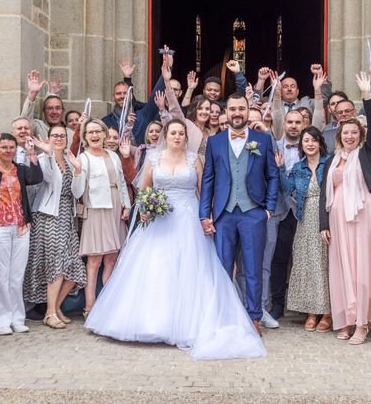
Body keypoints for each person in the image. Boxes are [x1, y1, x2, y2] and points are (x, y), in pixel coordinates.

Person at [85, 119, 266, 360]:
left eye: (181, 133)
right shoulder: (153, 160)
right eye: (173, 133)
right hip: (160, 221)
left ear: (185, 137)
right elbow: (144, 190)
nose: (177, 137)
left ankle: (188, 323)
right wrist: (147, 208)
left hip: (188, 219)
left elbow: (204, 192)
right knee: (157, 269)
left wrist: (207, 217)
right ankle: (153, 323)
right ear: (165, 136)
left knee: (190, 268)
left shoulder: (195, 160)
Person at [200, 93, 280, 336]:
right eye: (232, 109)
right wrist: (205, 214)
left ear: (247, 111)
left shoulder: (262, 140)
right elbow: (208, 180)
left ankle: (254, 317)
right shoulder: (215, 142)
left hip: (253, 212)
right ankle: (223, 316)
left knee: (253, 268)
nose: (236, 113)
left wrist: (268, 208)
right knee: (223, 268)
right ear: (226, 112)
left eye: (241, 109)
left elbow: (273, 175)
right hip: (224, 214)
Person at [319, 72, 371, 345]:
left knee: (362, 267)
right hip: (337, 220)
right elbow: (326, 193)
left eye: (353, 132)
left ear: (360, 135)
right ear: (339, 135)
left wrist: (367, 94)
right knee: (342, 268)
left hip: (363, 216)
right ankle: (346, 318)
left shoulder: (368, 153)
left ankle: (363, 323)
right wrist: (323, 224)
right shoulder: (332, 161)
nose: (349, 136)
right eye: (345, 132)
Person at [0, 128, 43, 335]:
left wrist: (32, 154)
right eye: (3, 147)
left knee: (16, 275)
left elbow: (36, 177)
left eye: (11, 147)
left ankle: (16, 317)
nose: (7, 151)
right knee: (0, 275)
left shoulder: (20, 170)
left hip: (21, 227)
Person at [23, 126, 86, 329]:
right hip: (49, 216)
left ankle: (56, 307)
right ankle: (50, 313)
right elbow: (48, 178)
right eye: (54, 136)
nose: (59, 138)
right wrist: (49, 154)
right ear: (48, 138)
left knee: (76, 265)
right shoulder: (42, 159)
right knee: (56, 265)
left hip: (67, 216)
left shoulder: (70, 160)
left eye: (62, 136)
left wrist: (78, 171)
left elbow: (77, 192)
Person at [68, 118, 131, 318]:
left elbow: (121, 181)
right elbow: (77, 192)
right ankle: (90, 308)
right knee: (94, 262)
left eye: (98, 131)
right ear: (85, 137)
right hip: (96, 211)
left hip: (115, 210)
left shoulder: (113, 155)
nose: (94, 135)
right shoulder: (83, 159)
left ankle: (107, 305)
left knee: (112, 259)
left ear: (104, 134)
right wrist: (77, 171)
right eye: (90, 132)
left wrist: (126, 204)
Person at [276, 126, 331, 333]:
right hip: (305, 218)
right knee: (307, 264)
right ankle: (311, 312)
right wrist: (281, 168)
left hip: (326, 217)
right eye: (306, 140)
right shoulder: (299, 167)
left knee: (326, 265)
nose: (310, 144)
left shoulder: (330, 163)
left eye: (313, 140)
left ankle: (327, 313)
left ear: (320, 143)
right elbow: (287, 189)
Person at [268, 110, 304, 323]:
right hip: (281, 211)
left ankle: (304, 305)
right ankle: (278, 304)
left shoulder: (311, 144)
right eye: (289, 122)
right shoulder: (274, 146)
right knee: (278, 259)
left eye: (297, 122)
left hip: (304, 211)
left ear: (303, 123)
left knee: (303, 259)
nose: (293, 126)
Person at [101, 57, 165, 145]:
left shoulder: (143, 115)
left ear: (131, 96)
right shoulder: (106, 121)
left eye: (125, 93)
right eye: (118, 93)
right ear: (113, 97)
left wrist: (165, 75)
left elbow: (156, 94)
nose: (122, 96)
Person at [22, 71, 75, 143]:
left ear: (63, 111)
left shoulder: (71, 134)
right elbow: (24, 121)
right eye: (50, 108)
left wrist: (53, 94)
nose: (54, 112)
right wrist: (32, 93)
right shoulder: (37, 127)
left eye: (58, 108)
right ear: (44, 111)